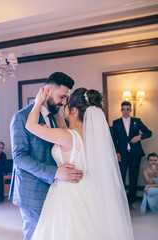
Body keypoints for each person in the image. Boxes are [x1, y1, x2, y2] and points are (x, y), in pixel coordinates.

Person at [27, 87, 133, 239]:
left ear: (74, 110)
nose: (64, 105)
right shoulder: (91, 136)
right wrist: (56, 112)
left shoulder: (66, 136)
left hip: (67, 191)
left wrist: (38, 101)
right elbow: (65, 128)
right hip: (87, 187)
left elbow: (30, 126)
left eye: (67, 104)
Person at [9, 72, 83, 240]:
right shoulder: (21, 117)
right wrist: (55, 172)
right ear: (47, 91)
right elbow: (19, 158)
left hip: (58, 190)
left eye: (66, 98)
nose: (64, 102)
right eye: (62, 97)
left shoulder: (57, 118)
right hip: (33, 191)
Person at [112, 101, 152, 209]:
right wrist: (116, 152)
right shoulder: (116, 123)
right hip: (122, 156)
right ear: (121, 110)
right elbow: (114, 139)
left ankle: (130, 202)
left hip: (135, 155)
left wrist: (139, 137)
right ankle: (121, 201)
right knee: (121, 178)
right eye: (123, 109)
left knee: (133, 178)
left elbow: (149, 132)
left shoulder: (136, 121)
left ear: (131, 110)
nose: (125, 111)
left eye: (128, 109)